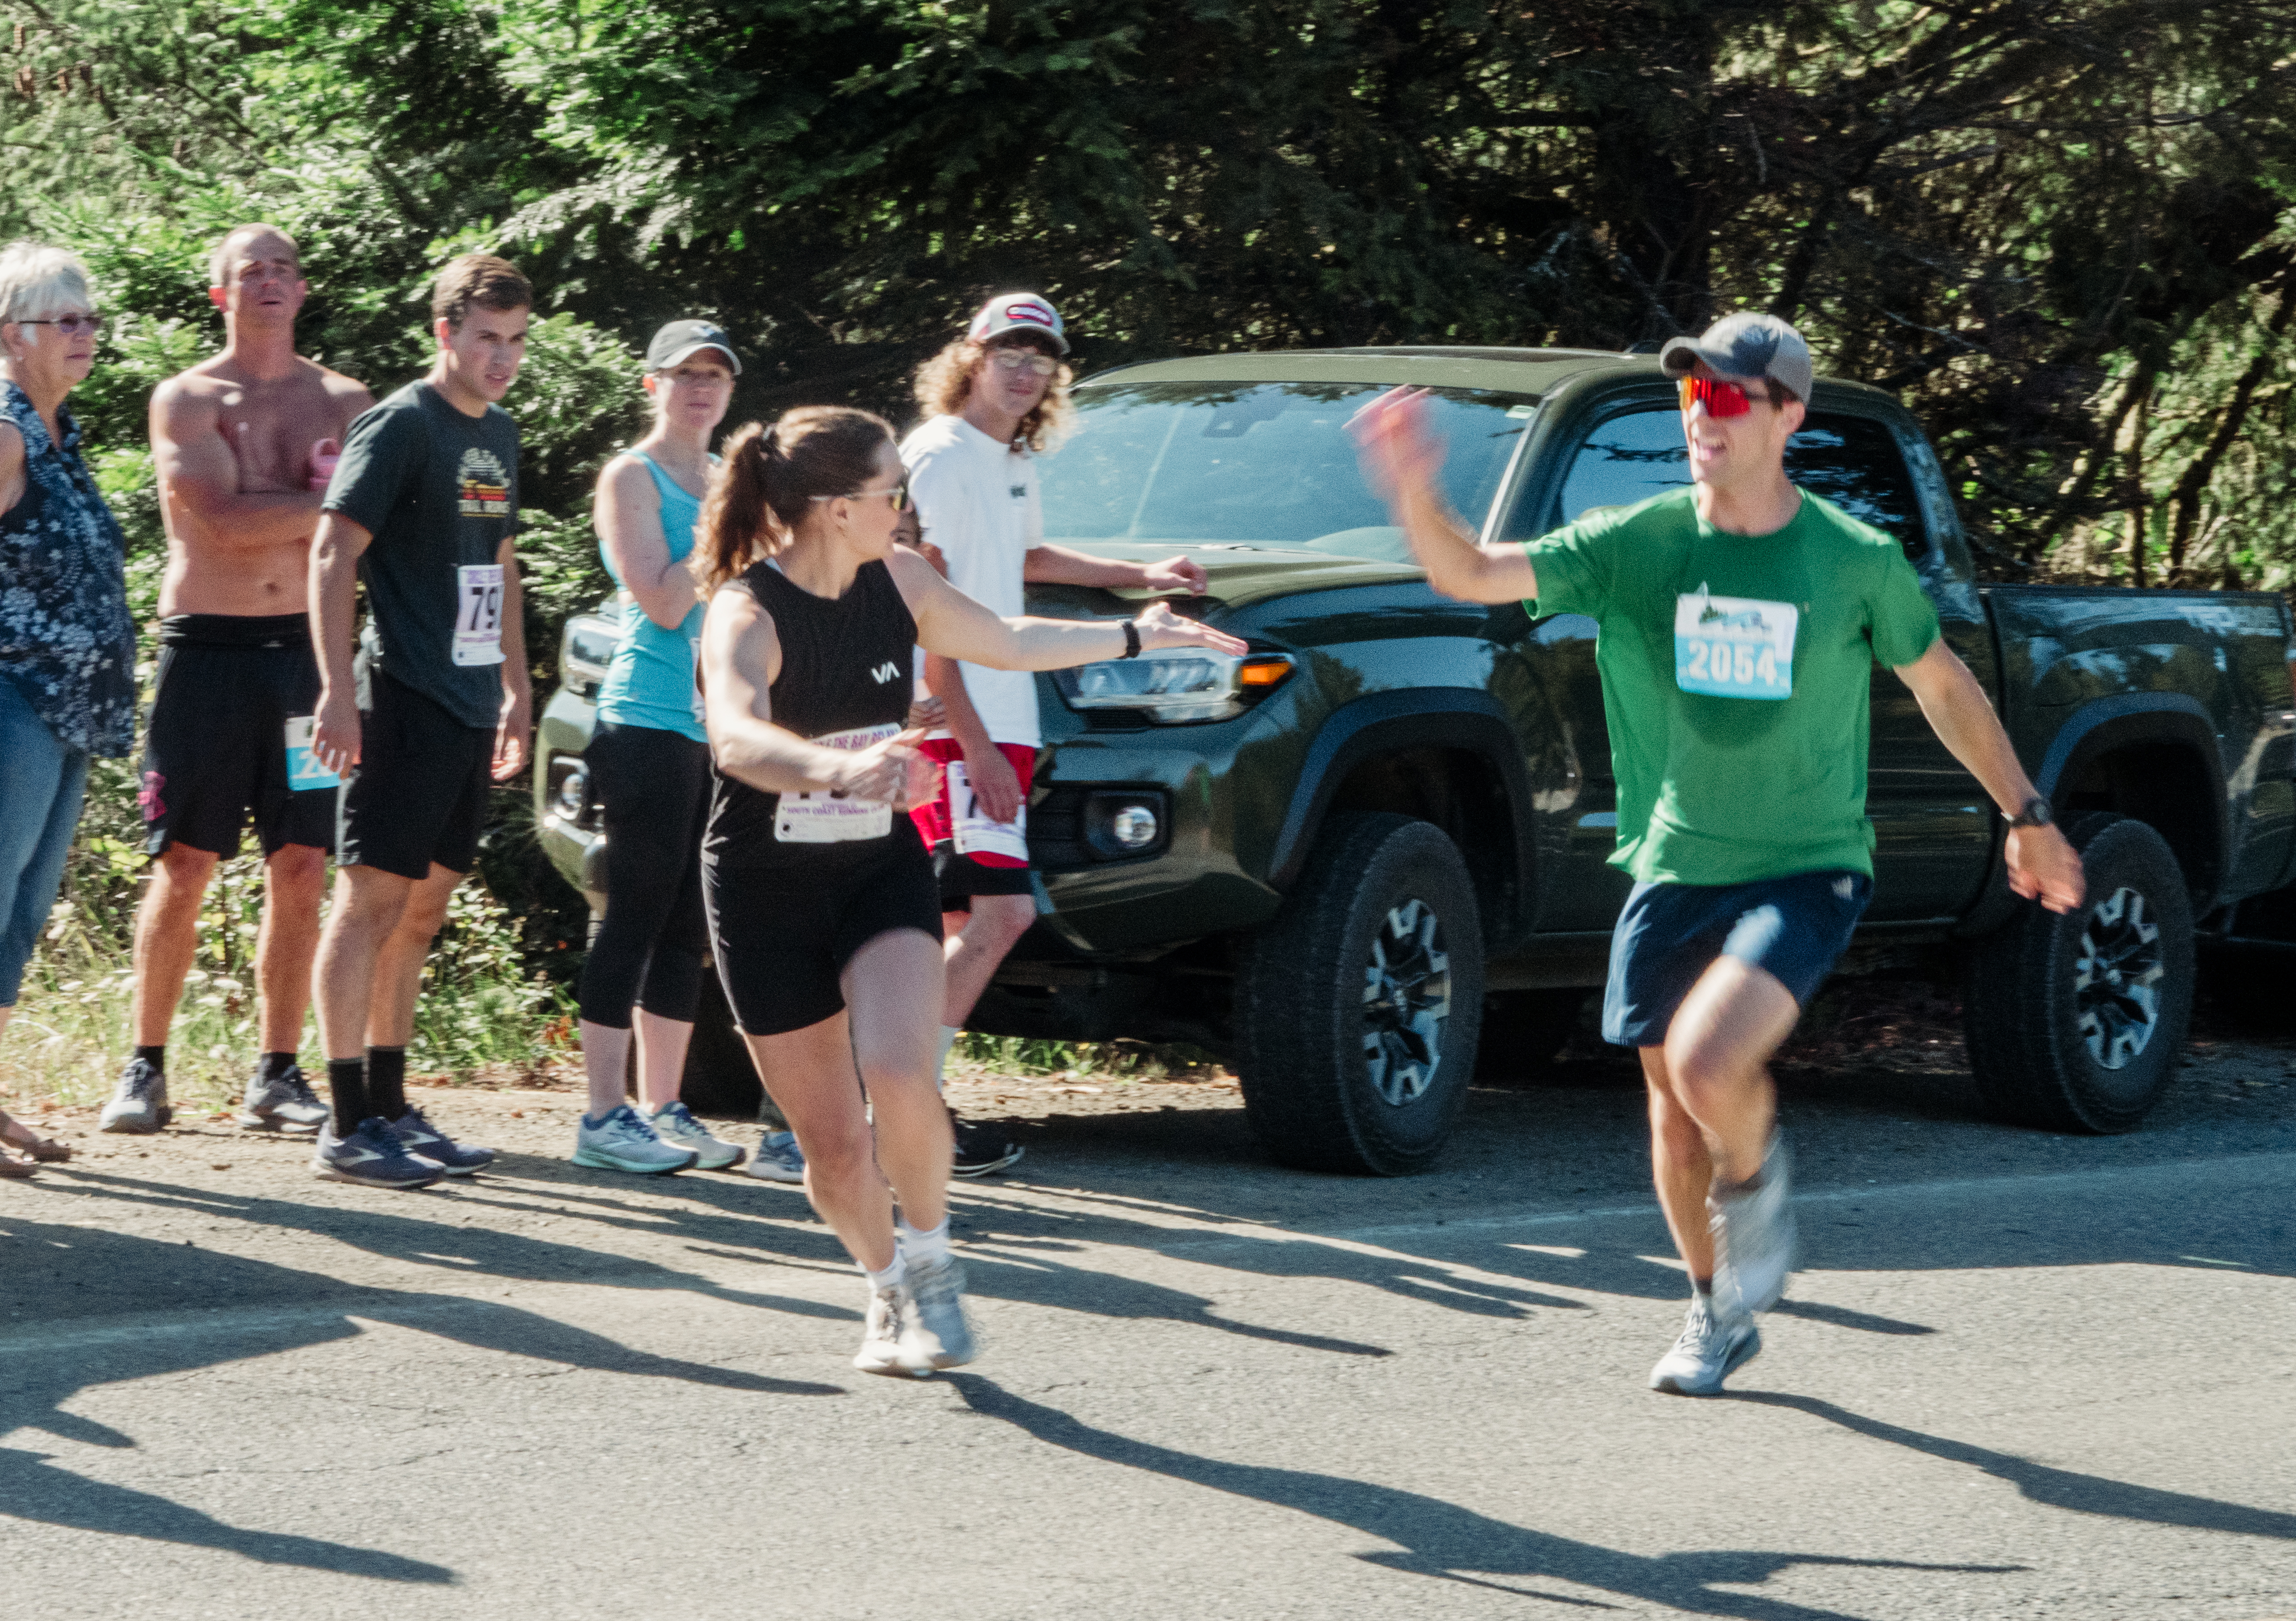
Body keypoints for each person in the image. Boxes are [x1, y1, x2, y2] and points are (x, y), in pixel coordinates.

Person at [1352, 312, 2086, 1396]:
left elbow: (1943, 685)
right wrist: (1415, 483)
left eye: (1731, 396)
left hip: (1808, 862)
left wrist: (2028, 814)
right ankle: (1714, 1307)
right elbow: (1467, 571)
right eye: (1692, 393)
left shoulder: (1852, 558)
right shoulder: (1638, 541)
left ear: (1788, 414)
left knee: (1707, 1064)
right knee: (1668, 1107)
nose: (1704, 411)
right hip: (1673, 862)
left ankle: (1761, 1184)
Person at [696, 406, 1243, 1373]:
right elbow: (737, 737)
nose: (903, 509)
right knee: (830, 1149)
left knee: (903, 1068)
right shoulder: (747, 611)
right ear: (833, 510)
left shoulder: (899, 579)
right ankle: (883, 1286)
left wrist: (1135, 633)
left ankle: (935, 1256)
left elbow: (1005, 638)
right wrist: (833, 768)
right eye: (888, 492)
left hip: (875, 869)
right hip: (762, 892)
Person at [903, 293, 1207, 1175]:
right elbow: (922, 603)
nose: (1025, 367)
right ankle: (910, 1106)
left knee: (957, 915)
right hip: (967, 724)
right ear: (972, 354)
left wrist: (1138, 573)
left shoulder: (1008, 456)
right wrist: (976, 741)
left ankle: (907, 1104)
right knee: (1003, 911)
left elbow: (1028, 559)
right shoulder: (938, 456)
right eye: (1010, 349)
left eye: (1040, 354)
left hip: (1008, 712)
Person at [97, 224, 374, 1138]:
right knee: (184, 862)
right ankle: (146, 1064)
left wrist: (318, 515)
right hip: (206, 653)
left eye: (285, 267)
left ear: (302, 292)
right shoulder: (187, 396)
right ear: (220, 293)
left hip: (307, 657)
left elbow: (369, 530)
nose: (269, 279)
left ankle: (278, 1070)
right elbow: (217, 519)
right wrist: (328, 506)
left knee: (302, 865)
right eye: (250, 269)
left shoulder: (345, 399)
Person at [303, 254, 535, 1189]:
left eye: (517, 342)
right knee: (368, 901)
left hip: (471, 703)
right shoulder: (401, 424)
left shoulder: (502, 434)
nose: (502, 358)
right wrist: (335, 690)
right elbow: (331, 551)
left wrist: (518, 686)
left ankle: (393, 1103)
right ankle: (347, 1120)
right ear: (446, 333)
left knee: (422, 907)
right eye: (486, 339)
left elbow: (501, 564)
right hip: (398, 692)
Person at [567, 320, 748, 1177]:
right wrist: (728, 523)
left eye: (715, 375)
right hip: (643, 721)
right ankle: (601, 1115)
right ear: (653, 385)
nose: (701, 389)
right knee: (634, 912)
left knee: (688, 928)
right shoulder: (629, 477)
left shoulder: (722, 481)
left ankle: (663, 1106)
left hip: (714, 731)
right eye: (685, 375)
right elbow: (667, 601)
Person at [0, 241, 136, 1139]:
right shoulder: (4, 431)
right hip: (13, 703)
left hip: (68, 713)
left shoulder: (58, 434)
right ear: (13, 336)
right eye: (67, 321)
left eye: (91, 319)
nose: (87, 334)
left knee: (18, 911)